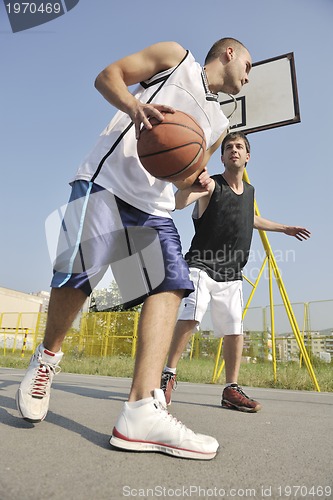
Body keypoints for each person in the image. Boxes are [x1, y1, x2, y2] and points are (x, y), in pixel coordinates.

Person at [16, 39, 252, 460]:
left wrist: (193, 184)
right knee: (76, 277)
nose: (249, 77)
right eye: (248, 65)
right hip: (106, 181)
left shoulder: (216, 121)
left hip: (154, 209)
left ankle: (141, 409)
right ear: (229, 53)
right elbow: (107, 77)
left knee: (172, 284)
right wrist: (134, 108)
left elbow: (181, 180)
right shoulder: (176, 59)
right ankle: (47, 358)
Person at [161, 131, 311, 411]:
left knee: (234, 330)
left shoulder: (250, 192)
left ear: (248, 157)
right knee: (192, 315)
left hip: (231, 272)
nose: (234, 150)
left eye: (239, 147)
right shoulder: (211, 185)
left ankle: (231, 389)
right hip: (201, 265)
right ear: (222, 156)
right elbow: (178, 203)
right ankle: (167, 374)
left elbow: (250, 218)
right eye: (229, 146)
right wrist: (191, 183)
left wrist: (285, 228)